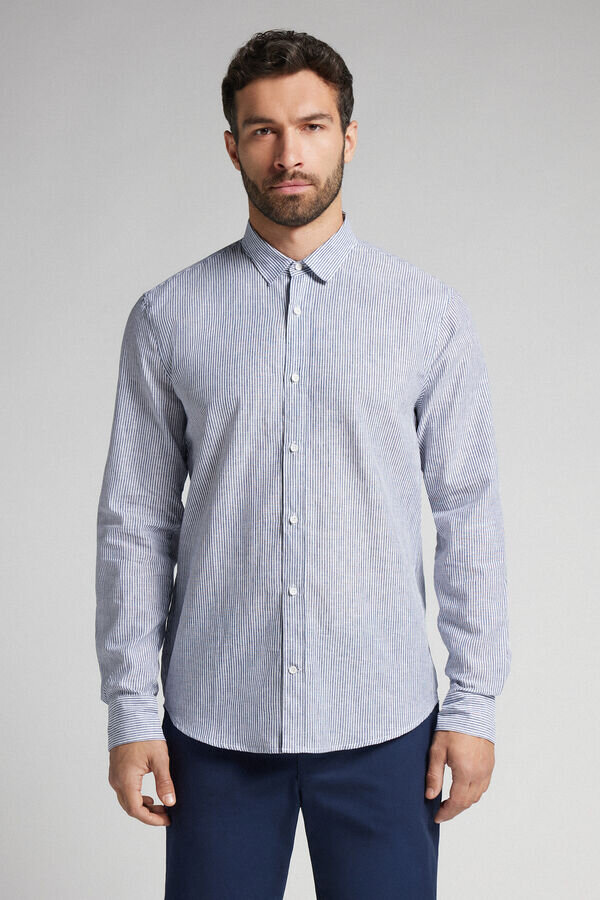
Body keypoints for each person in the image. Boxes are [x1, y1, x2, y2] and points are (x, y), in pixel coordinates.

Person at [95, 28, 511, 900]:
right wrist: (131, 712)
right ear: (233, 147)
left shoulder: (427, 314)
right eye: (264, 130)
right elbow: (136, 523)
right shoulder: (169, 317)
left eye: (313, 127)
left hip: (385, 724)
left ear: (348, 138)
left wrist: (473, 705)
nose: (289, 154)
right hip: (214, 728)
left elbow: (467, 508)